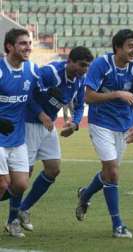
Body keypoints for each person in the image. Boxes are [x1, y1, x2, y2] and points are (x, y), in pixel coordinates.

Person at [75, 29, 133, 238]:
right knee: (113, 172)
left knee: (109, 172)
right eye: (130, 46)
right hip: (101, 124)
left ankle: (85, 194)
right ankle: (118, 224)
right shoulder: (102, 65)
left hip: (124, 126)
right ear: (118, 48)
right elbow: (88, 97)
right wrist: (117, 94)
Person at [15, 46, 93, 233]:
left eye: (87, 66)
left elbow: (80, 106)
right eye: (82, 65)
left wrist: (74, 124)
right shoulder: (50, 72)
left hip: (47, 126)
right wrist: (41, 114)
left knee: (53, 168)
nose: (84, 69)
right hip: (30, 122)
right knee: (24, 175)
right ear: (70, 62)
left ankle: (23, 209)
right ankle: (12, 219)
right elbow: (28, 94)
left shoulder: (80, 81)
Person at [0, 28, 43, 238]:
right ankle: (12, 222)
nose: (28, 47)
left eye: (29, 43)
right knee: (3, 183)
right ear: (9, 46)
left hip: (18, 138)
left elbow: (37, 95)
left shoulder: (32, 70)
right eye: (23, 43)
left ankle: (11, 223)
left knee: (20, 184)